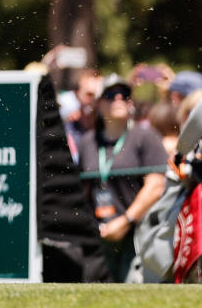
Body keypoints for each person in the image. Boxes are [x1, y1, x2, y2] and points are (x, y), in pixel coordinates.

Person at [77, 75, 168, 282]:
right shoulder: (87, 142)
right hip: (99, 237)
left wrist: (125, 221)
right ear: (99, 104)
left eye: (124, 95)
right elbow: (82, 191)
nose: (118, 99)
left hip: (137, 234)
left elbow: (155, 185)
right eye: (110, 95)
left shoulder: (145, 137)